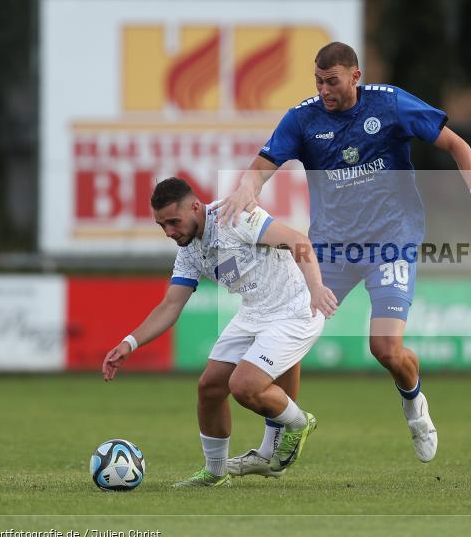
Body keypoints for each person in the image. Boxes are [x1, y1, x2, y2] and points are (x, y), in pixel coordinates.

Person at [215, 42, 471, 463]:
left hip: (391, 242)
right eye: (317, 80)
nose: (324, 89)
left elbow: (456, 144)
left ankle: (414, 404)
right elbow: (263, 166)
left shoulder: (390, 105)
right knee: (288, 332)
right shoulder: (303, 118)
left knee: (386, 349)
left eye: (331, 81)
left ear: (355, 76)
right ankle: (278, 442)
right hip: (330, 249)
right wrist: (246, 186)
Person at [102, 177, 338, 486]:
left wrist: (316, 286)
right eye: (162, 226)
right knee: (210, 388)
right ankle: (215, 473)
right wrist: (129, 343)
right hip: (254, 312)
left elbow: (299, 242)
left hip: (294, 310)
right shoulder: (189, 250)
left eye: (174, 222)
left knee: (243, 386)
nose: (170, 232)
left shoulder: (235, 216)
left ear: (196, 207)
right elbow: (170, 306)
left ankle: (299, 423)